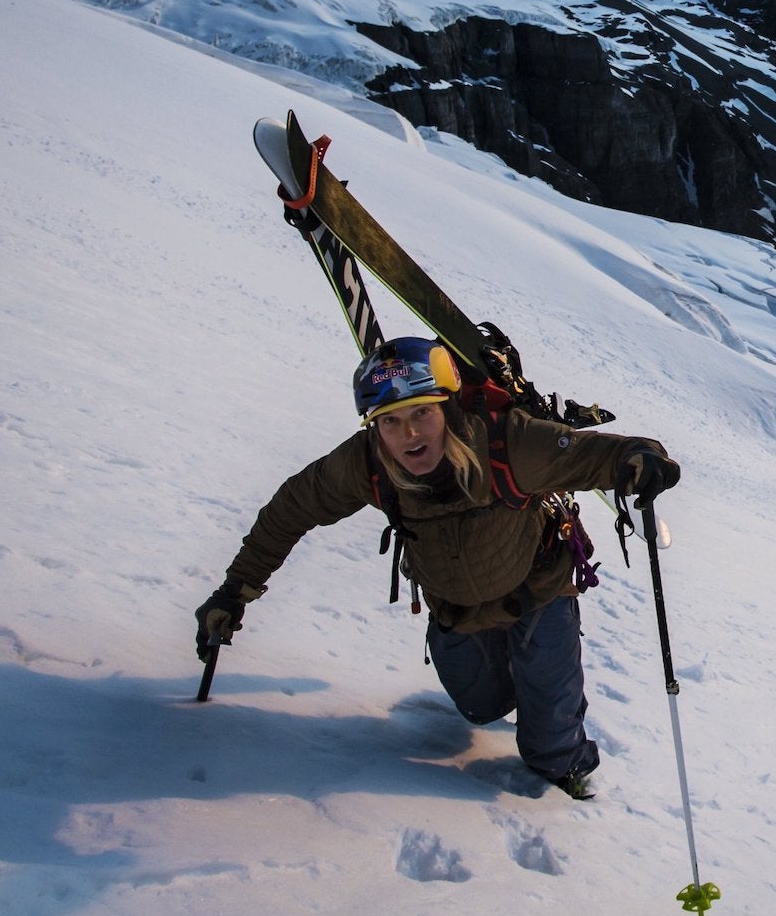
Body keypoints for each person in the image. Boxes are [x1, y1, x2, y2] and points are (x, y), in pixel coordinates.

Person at [195, 335, 678, 798]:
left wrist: (643, 459)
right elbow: (291, 509)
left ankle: (568, 776)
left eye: (422, 413)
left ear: (447, 407)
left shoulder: (509, 444)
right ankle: (523, 688)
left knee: (549, 744)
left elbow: (603, 454)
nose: (408, 434)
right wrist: (236, 589)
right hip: (457, 608)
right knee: (480, 707)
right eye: (390, 421)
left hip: (538, 595)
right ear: (373, 426)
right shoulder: (368, 464)